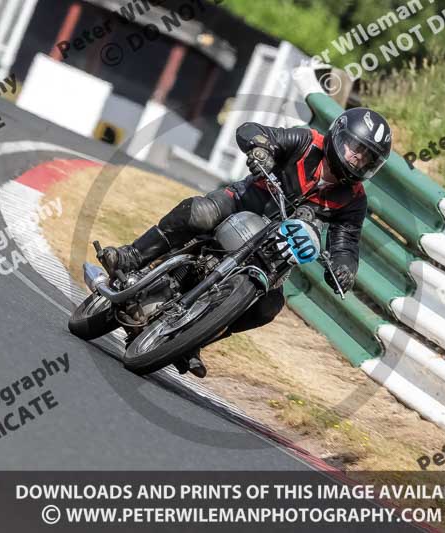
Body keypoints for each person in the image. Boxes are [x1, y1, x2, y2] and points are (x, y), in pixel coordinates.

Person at [108, 107, 392, 377]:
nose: (358, 159)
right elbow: (253, 131)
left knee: (269, 306)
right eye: (356, 148)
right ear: (339, 135)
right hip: (242, 203)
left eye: (367, 157)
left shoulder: (354, 199)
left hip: (275, 252)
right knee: (200, 213)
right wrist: (261, 150)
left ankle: (194, 340)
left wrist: (344, 268)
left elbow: (346, 241)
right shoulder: (306, 142)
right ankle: (132, 256)